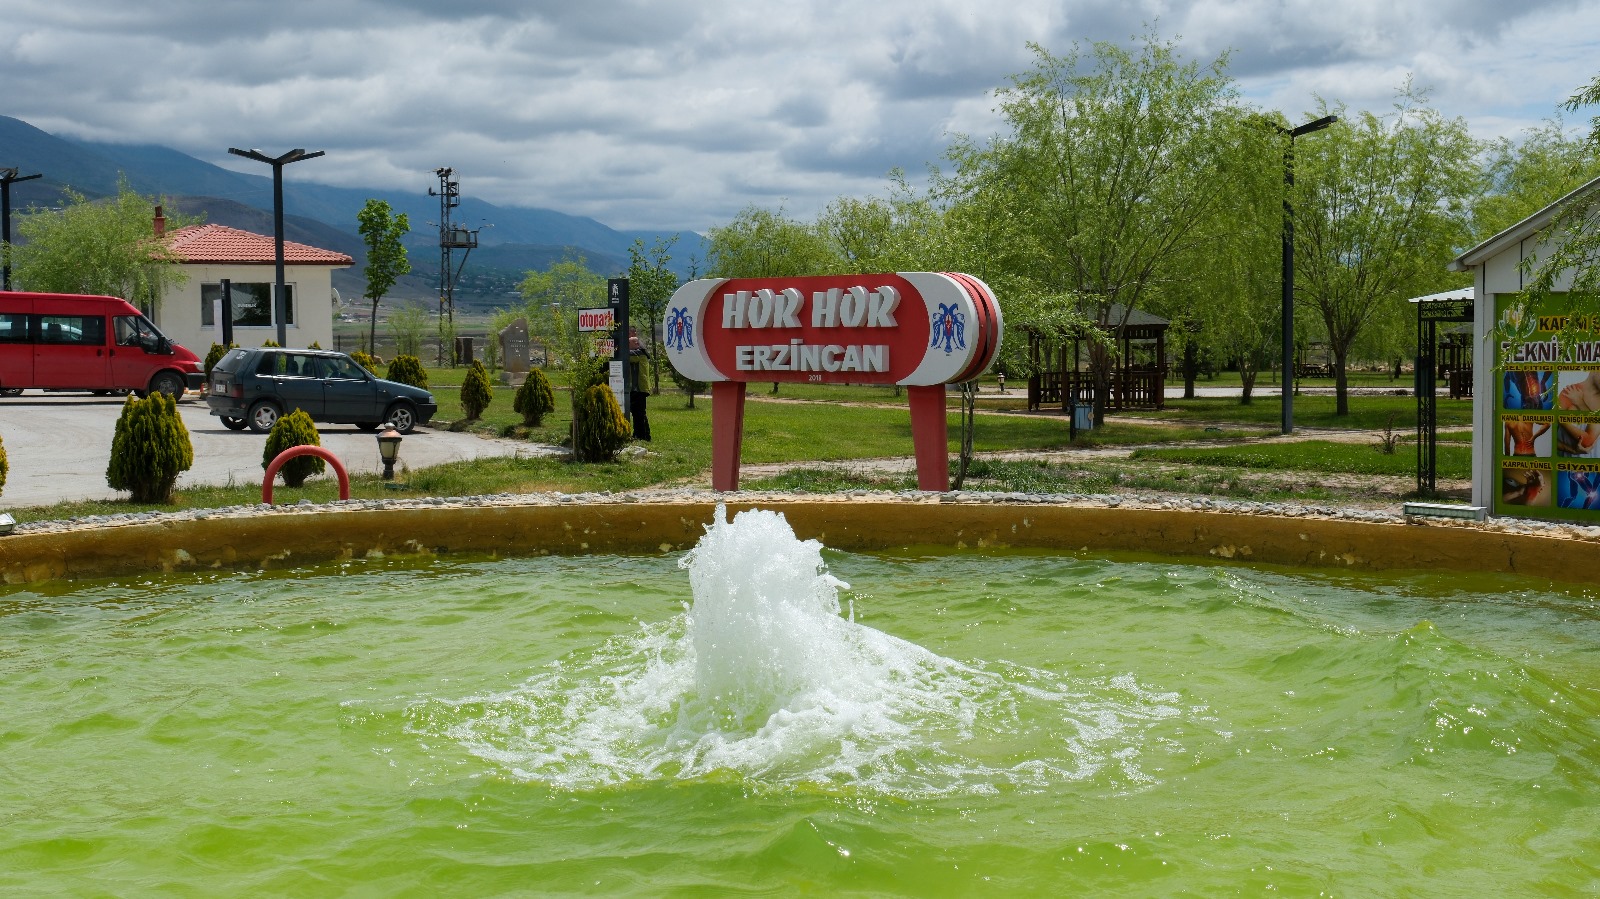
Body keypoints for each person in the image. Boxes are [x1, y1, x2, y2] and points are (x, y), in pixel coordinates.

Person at [628, 328, 651, 441]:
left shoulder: (640, 354)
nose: (627, 345)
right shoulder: (640, 353)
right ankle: (644, 436)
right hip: (638, 389)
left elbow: (625, 356)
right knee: (640, 414)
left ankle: (640, 436)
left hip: (639, 390)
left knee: (638, 414)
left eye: (629, 343)